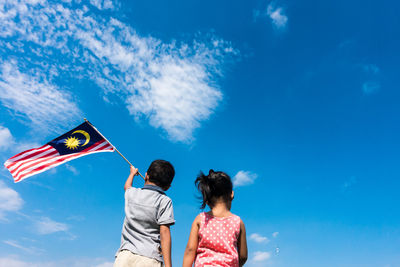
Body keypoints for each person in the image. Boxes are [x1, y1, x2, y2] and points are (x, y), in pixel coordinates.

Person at [114, 160, 175, 267]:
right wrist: (168, 265)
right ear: (167, 187)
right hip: (149, 258)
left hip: (125, 256)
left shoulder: (132, 193)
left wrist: (132, 174)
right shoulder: (164, 201)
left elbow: (127, 187)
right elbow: (164, 232)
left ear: (146, 175)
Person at [183, 170, 248, 267]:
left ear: (207, 199)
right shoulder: (238, 222)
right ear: (232, 194)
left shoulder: (201, 219)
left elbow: (190, 250)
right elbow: (243, 256)